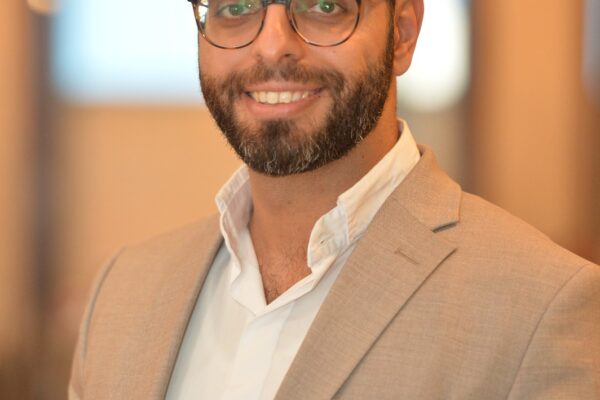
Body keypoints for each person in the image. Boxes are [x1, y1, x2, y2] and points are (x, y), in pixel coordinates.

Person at [68, 0, 600, 398]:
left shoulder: (543, 309)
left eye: (324, 6)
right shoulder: (123, 293)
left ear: (402, 34)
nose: (272, 46)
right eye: (235, 7)